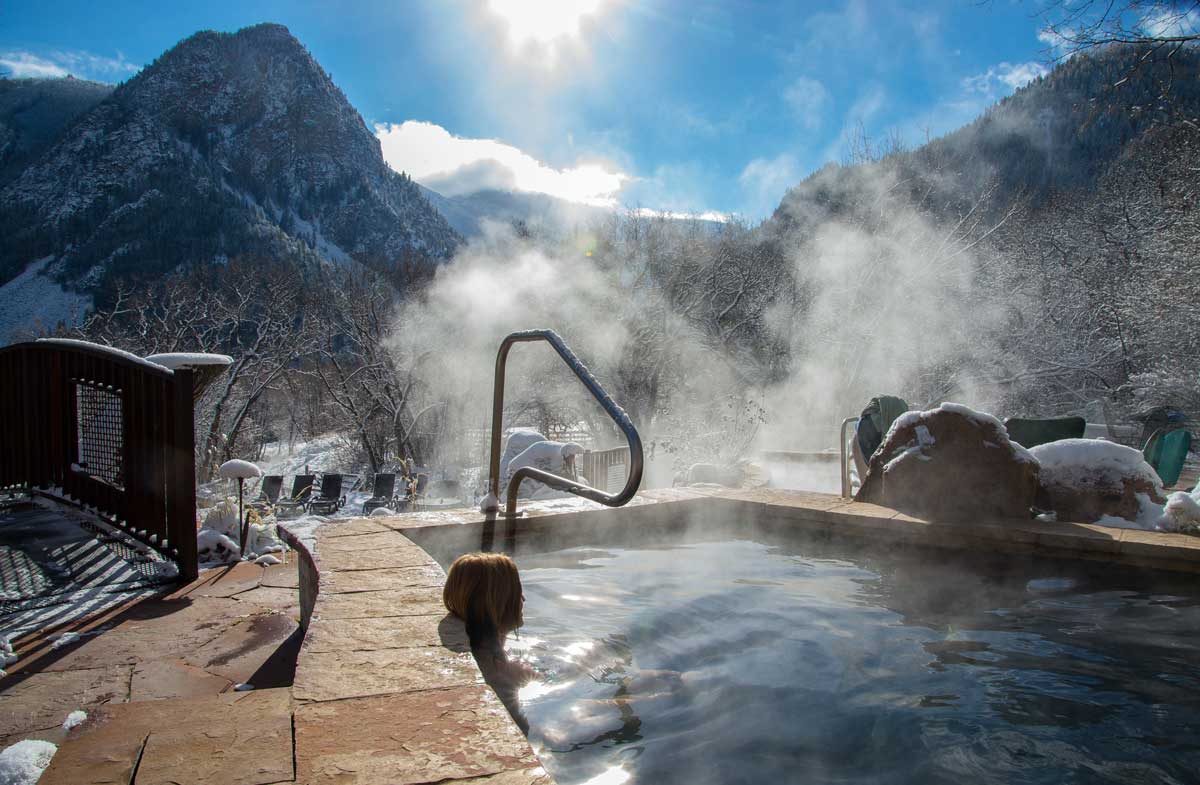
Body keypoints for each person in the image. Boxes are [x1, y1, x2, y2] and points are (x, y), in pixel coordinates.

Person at [443, 552, 534, 732]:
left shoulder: (487, 650)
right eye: (516, 592)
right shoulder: (497, 675)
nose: (523, 599)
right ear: (499, 601)